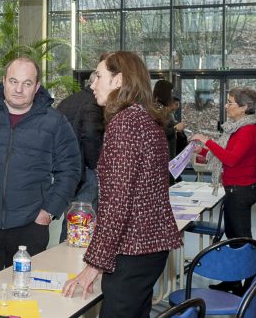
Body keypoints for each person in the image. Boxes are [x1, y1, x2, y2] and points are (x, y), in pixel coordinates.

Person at [61, 51, 182, 318]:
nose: (92, 83)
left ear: (119, 80)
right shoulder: (145, 119)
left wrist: (94, 265)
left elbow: (117, 202)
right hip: (149, 247)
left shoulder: (125, 124)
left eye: (99, 76)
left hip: (132, 250)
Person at [0, 58, 81, 275]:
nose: (18, 89)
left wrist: (47, 213)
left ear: (37, 87)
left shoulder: (54, 122)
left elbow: (70, 170)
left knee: (25, 294)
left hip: (31, 227)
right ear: (3, 82)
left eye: (26, 83)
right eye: (13, 81)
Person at [190, 86, 256, 294]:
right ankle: (234, 280)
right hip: (235, 188)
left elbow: (230, 159)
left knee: (241, 240)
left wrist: (207, 140)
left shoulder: (247, 130)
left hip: (241, 190)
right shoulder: (237, 127)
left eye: (230, 103)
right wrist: (202, 149)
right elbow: (224, 152)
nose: (227, 106)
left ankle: (249, 286)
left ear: (244, 107)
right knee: (234, 237)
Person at [55, 70, 104, 209]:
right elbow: (90, 135)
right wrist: (96, 166)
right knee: (84, 217)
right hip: (87, 169)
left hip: (66, 167)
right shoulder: (95, 103)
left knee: (71, 216)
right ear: (96, 82)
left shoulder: (67, 101)